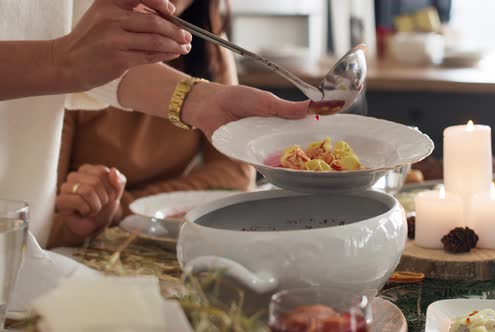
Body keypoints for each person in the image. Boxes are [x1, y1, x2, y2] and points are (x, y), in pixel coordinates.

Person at [0, 0, 309, 247]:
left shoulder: (206, 47)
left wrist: (202, 101)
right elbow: (75, 57)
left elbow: (86, 57)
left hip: (23, 245)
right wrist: (62, 59)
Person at [48, 0, 255, 247]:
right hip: (81, 246)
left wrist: (124, 208)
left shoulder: (208, 51)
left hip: (164, 240)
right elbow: (43, 215)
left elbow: (235, 175)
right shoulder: (73, 48)